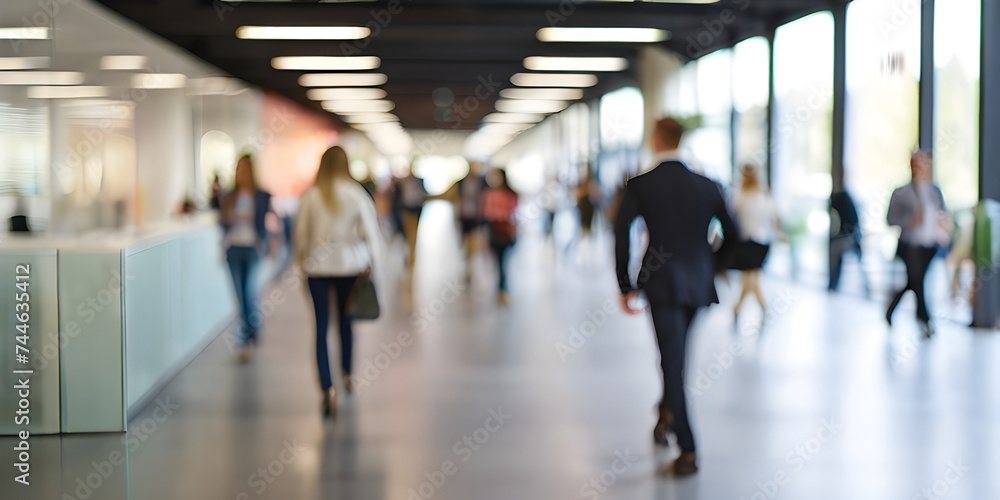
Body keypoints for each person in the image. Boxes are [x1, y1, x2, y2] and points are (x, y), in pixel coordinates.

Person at [614, 117, 738, 476]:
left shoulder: (642, 184)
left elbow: (621, 232)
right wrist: (709, 263)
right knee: (676, 357)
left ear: (656, 138)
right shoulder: (708, 184)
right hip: (698, 283)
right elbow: (733, 233)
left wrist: (625, 283)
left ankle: (688, 450)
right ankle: (667, 414)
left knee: (672, 362)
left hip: (661, 281)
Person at [294, 146, 381, 418]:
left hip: (317, 270)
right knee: (346, 323)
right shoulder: (357, 196)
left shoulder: (311, 196)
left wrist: (302, 264)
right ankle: (347, 374)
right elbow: (372, 236)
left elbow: (300, 236)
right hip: (350, 269)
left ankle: (327, 388)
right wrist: (374, 268)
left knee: (320, 328)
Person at [886, 150, 951, 338]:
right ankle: (926, 321)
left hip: (930, 245)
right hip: (910, 245)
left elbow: (942, 214)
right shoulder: (901, 192)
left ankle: (891, 311)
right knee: (918, 282)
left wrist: (944, 226)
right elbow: (890, 220)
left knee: (913, 283)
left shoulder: (934, 191)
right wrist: (909, 221)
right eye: (916, 163)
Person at [220, 154, 272, 362]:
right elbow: (222, 220)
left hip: (252, 248)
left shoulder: (260, 195)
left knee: (250, 292)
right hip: (233, 248)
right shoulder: (230, 195)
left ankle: (250, 333)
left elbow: (265, 221)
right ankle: (248, 334)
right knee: (239, 296)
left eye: (243, 168)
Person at [730, 164, 780, 320]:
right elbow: (775, 221)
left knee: (749, 277)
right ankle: (746, 307)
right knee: (751, 277)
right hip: (762, 242)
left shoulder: (739, 196)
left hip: (746, 242)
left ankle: (741, 308)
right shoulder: (765, 197)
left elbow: (732, 220)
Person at [481, 168, 518, 306]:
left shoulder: (510, 194)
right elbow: (486, 214)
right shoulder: (488, 195)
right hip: (494, 233)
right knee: (498, 262)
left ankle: (502, 289)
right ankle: (501, 289)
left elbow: (514, 213)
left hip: (506, 233)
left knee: (503, 262)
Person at [829, 190, 865, 293]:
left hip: (849, 237)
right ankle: (833, 284)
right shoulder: (843, 198)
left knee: (834, 251)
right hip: (848, 237)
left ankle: (833, 285)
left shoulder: (843, 198)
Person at [395, 169, 428, 272]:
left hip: (415, 210)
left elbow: (423, 194)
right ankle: (408, 256)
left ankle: (411, 257)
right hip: (406, 210)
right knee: (408, 234)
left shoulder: (418, 181)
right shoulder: (402, 183)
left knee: (413, 235)